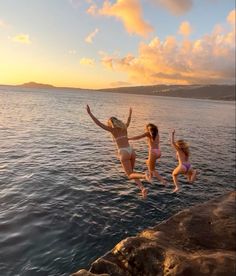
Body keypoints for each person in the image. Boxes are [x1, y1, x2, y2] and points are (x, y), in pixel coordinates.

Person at [86, 105, 149, 198]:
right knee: (132, 173)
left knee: (130, 174)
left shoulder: (112, 130)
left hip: (124, 152)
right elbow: (128, 121)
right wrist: (130, 113)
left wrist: (90, 113)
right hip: (131, 151)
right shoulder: (124, 127)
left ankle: (144, 176)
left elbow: (98, 123)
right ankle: (142, 188)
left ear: (110, 123)